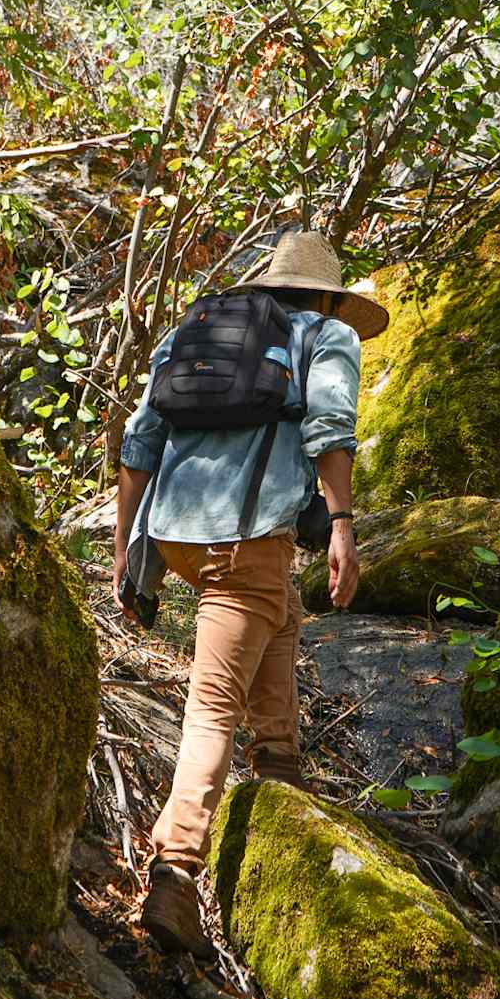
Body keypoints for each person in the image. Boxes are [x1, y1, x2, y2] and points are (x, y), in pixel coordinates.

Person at [112, 230, 389, 958]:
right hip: (245, 535)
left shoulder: (196, 330)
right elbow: (331, 425)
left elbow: (140, 441)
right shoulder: (328, 336)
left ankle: (281, 771)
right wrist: (342, 524)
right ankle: (174, 872)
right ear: (328, 296)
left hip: (174, 531)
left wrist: (126, 551)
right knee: (211, 709)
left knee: (281, 613)